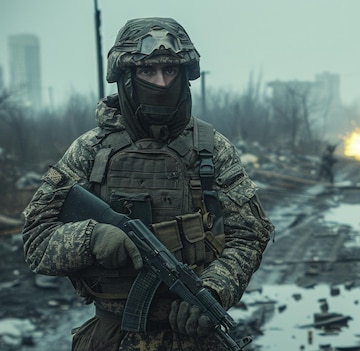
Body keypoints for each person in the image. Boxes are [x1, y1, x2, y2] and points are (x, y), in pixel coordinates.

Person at [21, 17, 274, 351]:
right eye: (148, 72)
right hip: (112, 337)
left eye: (170, 72)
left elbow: (250, 234)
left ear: (184, 76)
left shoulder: (211, 149)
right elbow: (36, 241)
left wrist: (214, 288)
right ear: (127, 78)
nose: (161, 82)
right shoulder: (91, 150)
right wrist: (92, 237)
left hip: (194, 339)